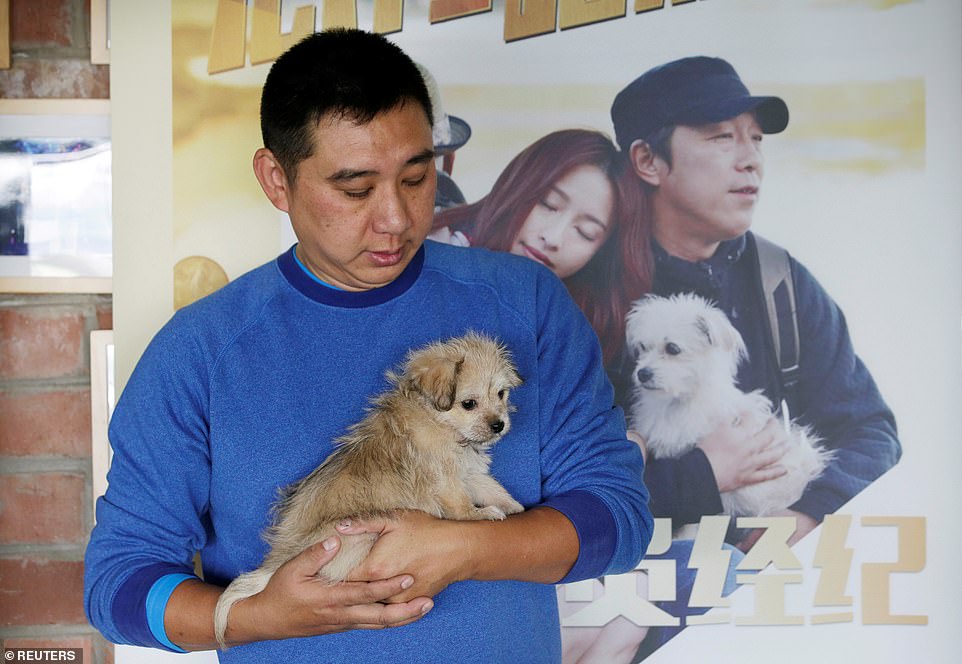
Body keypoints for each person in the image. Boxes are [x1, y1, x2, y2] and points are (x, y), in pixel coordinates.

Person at [83, 29, 652, 664]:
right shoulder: (200, 353)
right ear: (277, 180)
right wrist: (255, 617)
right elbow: (117, 586)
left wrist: (461, 549)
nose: (396, 219)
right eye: (355, 190)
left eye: (416, 176)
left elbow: (618, 519)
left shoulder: (526, 305)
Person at [609, 55, 901, 543]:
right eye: (722, 136)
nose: (751, 160)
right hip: (626, 580)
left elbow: (870, 430)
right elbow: (558, 486)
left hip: (764, 573)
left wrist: (805, 515)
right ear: (647, 161)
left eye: (756, 139)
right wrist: (703, 476)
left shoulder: (779, 280)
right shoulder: (591, 285)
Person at [429, 129, 651, 367]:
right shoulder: (431, 253)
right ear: (518, 187)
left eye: (586, 232)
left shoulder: (580, 333)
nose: (553, 237)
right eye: (548, 204)